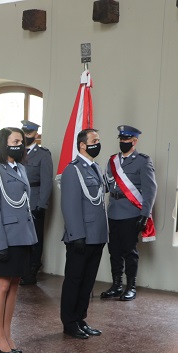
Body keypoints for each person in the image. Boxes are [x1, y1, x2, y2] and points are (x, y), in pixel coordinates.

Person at [0, 127, 38, 353]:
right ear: (4, 144)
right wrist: (0, 244)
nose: (20, 144)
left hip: (22, 235)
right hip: (5, 237)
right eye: (15, 141)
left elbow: (24, 203)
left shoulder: (21, 169)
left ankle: (7, 333)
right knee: (2, 285)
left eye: (21, 141)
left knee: (14, 285)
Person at [60, 128, 108, 339]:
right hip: (81, 236)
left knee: (88, 281)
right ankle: (69, 322)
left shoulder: (95, 167)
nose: (97, 143)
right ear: (82, 145)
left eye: (98, 140)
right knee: (75, 280)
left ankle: (80, 318)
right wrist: (77, 234)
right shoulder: (73, 170)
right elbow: (69, 206)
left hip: (97, 235)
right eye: (94, 140)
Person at [100, 125, 157, 301]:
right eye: (121, 139)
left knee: (129, 251)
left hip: (131, 212)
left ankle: (130, 286)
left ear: (134, 141)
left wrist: (145, 214)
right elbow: (107, 185)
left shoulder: (142, 161)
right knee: (114, 250)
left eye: (126, 139)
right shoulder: (112, 161)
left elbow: (150, 189)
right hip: (113, 210)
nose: (123, 142)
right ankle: (116, 285)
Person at [19, 120, 53, 285]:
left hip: (35, 201)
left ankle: (32, 269)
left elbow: (47, 182)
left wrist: (42, 204)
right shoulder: (17, 152)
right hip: (18, 201)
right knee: (21, 237)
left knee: (35, 238)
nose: (27, 136)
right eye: (24, 133)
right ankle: (22, 268)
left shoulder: (43, 154)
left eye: (30, 134)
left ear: (37, 135)